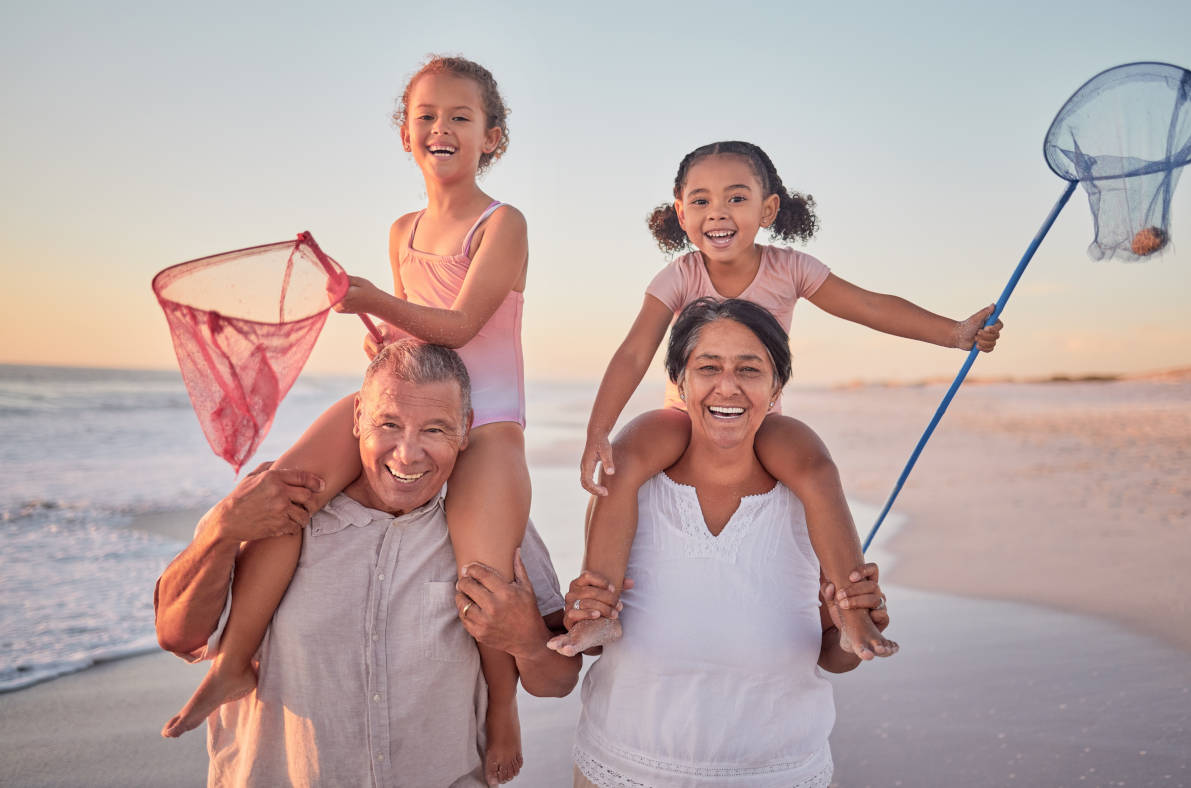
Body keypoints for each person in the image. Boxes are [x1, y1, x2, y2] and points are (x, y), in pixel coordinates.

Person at [161, 55, 533, 785]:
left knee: (486, 574)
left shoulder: (502, 223)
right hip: (421, 399)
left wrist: (370, 300)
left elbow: (458, 326)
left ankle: (502, 711)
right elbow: (418, 340)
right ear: (404, 134)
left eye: (461, 117)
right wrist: (385, 339)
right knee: (287, 493)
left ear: (492, 137)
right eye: (426, 116)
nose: (442, 128)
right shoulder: (402, 229)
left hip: (485, 420)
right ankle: (234, 662)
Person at [556, 140, 1002, 658]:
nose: (717, 213)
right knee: (625, 457)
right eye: (700, 201)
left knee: (813, 465)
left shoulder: (791, 269)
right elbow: (634, 353)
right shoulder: (678, 276)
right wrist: (597, 432)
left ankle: (853, 613)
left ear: (768, 209)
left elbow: (866, 305)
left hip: (762, 415)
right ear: (680, 213)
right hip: (687, 412)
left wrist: (952, 333)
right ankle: (596, 612)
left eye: (736, 198)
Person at [154, 340, 581, 787]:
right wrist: (219, 530)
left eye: (435, 430)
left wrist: (529, 642)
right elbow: (175, 633)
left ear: (466, 428)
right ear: (357, 417)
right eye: (389, 424)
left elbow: (558, 681)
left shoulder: (493, 523)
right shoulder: (274, 503)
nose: (408, 453)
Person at [565, 298, 890, 786]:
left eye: (749, 369)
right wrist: (586, 612)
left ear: (776, 385)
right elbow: (590, 648)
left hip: (778, 772)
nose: (727, 386)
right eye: (708, 367)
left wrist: (851, 634)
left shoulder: (808, 495)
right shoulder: (633, 483)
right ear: (680, 381)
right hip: (623, 768)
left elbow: (833, 656)